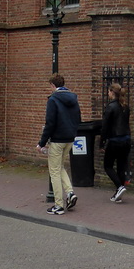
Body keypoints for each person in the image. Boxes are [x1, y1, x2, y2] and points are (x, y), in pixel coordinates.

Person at [36, 73, 80, 216]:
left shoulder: (53, 100)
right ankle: (70, 192)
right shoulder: (74, 98)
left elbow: (50, 123)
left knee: (53, 171)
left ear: (53, 86)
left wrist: (41, 143)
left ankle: (58, 205)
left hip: (57, 140)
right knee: (60, 167)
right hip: (70, 138)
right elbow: (78, 118)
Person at [100, 82, 132, 202]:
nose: (108, 93)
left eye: (109, 91)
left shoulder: (110, 107)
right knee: (121, 167)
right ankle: (118, 195)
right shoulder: (125, 106)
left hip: (115, 141)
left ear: (112, 93)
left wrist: (102, 143)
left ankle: (119, 187)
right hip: (126, 140)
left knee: (108, 166)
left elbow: (105, 126)